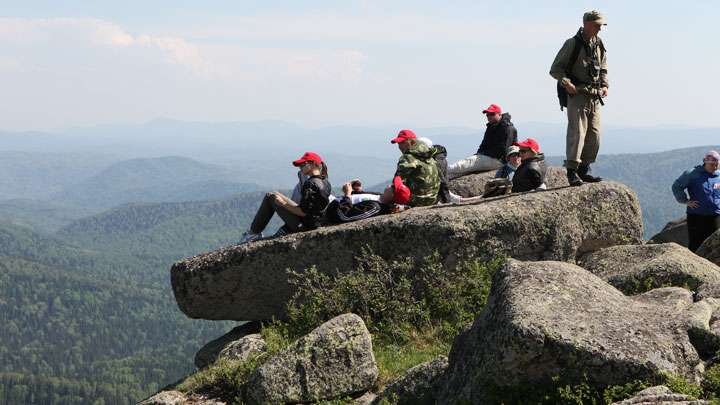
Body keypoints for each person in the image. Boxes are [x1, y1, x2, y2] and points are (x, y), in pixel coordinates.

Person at [550, 10, 608, 186]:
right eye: (597, 25)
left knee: (594, 135)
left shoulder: (598, 44)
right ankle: (572, 171)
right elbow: (555, 69)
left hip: (594, 96)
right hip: (577, 96)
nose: (600, 28)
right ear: (587, 24)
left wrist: (605, 85)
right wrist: (567, 83)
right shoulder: (572, 44)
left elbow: (603, 68)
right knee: (578, 133)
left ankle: (584, 170)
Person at [240, 152, 332, 243]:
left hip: (304, 225)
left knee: (270, 197)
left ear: (313, 164)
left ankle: (252, 234)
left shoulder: (310, 184)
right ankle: (253, 233)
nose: (300, 167)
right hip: (315, 222)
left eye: (303, 164)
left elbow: (303, 212)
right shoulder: (325, 182)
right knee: (274, 194)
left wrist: (282, 203)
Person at [448, 104, 518, 179]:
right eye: (487, 115)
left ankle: (445, 169)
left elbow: (502, 150)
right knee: (464, 170)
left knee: (470, 162)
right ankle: (444, 179)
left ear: (499, 114)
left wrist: (483, 154)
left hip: (500, 160)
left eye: (492, 114)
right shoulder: (491, 126)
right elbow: (483, 145)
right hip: (490, 157)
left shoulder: (508, 128)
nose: (489, 116)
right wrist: (480, 153)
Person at [671, 150, 720, 252]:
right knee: (696, 244)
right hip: (696, 216)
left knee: (715, 245)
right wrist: (685, 201)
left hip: (715, 215)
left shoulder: (718, 176)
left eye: (716, 164)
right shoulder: (692, 174)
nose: (714, 167)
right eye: (711, 164)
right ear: (705, 162)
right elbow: (676, 186)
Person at [325, 176, 411, 224]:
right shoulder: (379, 196)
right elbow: (361, 200)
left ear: (392, 195)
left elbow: (345, 216)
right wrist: (357, 191)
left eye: (392, 186)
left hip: (328, 209)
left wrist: (347, 195)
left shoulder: (375, 207)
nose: (390, 185)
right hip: (333, 201)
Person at [391, 129, 441, 207]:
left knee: (388, 191)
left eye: (402, 143)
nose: (400, 146)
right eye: (399, 143)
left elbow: (397, 183)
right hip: (433, 199)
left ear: (412, 142)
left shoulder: (408, 158)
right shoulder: (429, 154)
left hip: (416, 200)